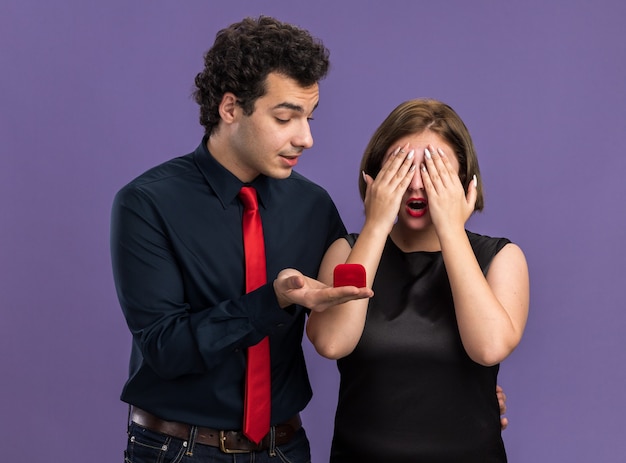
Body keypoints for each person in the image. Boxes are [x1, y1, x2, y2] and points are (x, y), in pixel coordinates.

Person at [110, 16, 373, 463]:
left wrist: (467, 394)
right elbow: (166, 349)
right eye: (286, 117)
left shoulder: (313, 206)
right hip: (179, 449)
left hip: (285, 448)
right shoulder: (147, 203)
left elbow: (348, 320)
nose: (306, 138)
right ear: (230, 108)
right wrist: (272, 301)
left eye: (309, 118)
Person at [306, 98, 529, 462]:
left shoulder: (501, 258)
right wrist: (376, 223)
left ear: (464, 181)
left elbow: (488, 348)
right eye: (402, 166)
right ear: (376, 174)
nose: (416, 185)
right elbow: (332, 342)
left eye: (433, 170)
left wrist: (451, 229)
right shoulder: (344, 252)